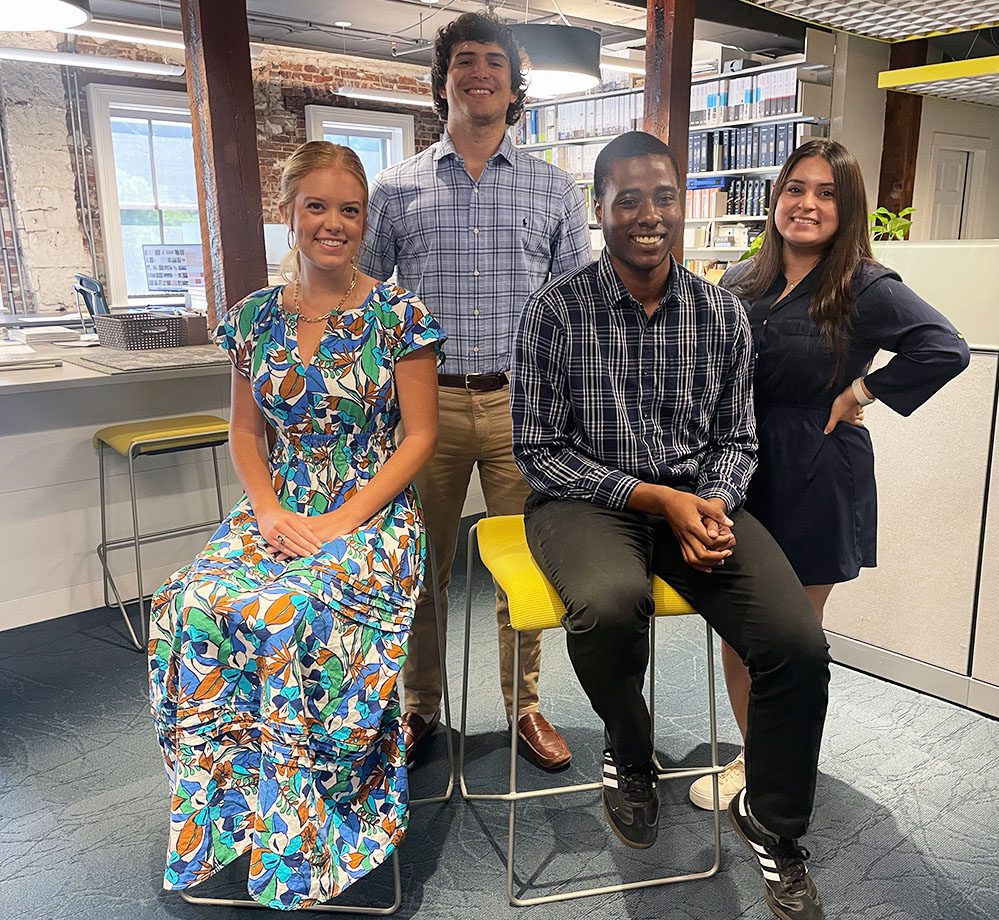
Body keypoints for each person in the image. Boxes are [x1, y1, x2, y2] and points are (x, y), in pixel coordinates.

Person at [511, 131, 831, 920]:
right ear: (600, 210)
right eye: (628, 200)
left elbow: (737, 437)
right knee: (611, 603)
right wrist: (658, 501)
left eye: (662, 198)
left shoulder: (722, 313)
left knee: (798, 645)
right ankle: (629, 748)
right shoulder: (555, 311)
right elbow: (539, 450)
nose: (647, 215)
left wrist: (714, 502)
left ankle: (772, 821)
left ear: (679, 206)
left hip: (700, 499)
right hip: (588, 500)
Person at [147, 141, 444, 910]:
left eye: (349, 210)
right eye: (317, 206)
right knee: (187, 601)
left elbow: (419, 438)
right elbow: (245, 434)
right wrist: (271, 512)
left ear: (364, 220)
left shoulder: (400, 314)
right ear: (290, 213)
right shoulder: (252, 318)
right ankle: (240, 804)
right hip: (278, 509)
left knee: (292, 611)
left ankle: (321, 809)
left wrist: (343, 521)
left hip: (371, 514)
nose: (334, 224)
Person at [687, 138, 971, 815]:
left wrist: (861, 393)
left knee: (790, 637)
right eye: (796, 189)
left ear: (847, 211)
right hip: (738, 470)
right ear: (775, 197)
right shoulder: (740, 282)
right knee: (737, 627)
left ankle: (779, 772)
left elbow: (945, 347)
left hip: (815, 470)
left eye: (825, 194)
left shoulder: (865, 285)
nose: (807, 204)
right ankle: (756, 755)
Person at [362, 11, 591, 771]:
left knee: (522, 563)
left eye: (495, 61)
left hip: (519, 406)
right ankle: (419, 705)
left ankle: (524, 706)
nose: (480, 72)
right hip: (422, 409)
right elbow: (364, 298)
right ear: (443, 81)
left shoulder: (556, 190)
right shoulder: (394, 190)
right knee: (419, 566)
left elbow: (573, 313)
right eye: (465, 60)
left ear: (514, 85)